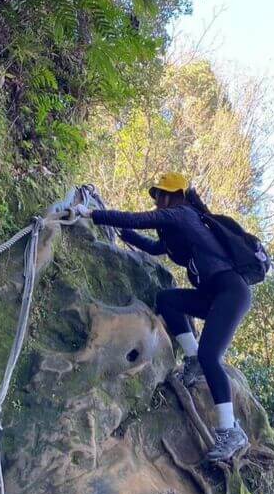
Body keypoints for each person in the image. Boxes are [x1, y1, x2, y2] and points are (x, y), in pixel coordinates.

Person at [74, 172, 251, 462]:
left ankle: (230, 431)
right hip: (213, 294)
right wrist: (122, 234)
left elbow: (138, 219)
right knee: (167, 300)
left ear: (176, 196)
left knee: (211, 357)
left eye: (162, 196)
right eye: (157, 196)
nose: (158, 202)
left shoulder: (183, 215)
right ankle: (192, 360)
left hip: (231, 292)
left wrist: (93, 214)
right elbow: (155, 248)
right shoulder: (178, 230)